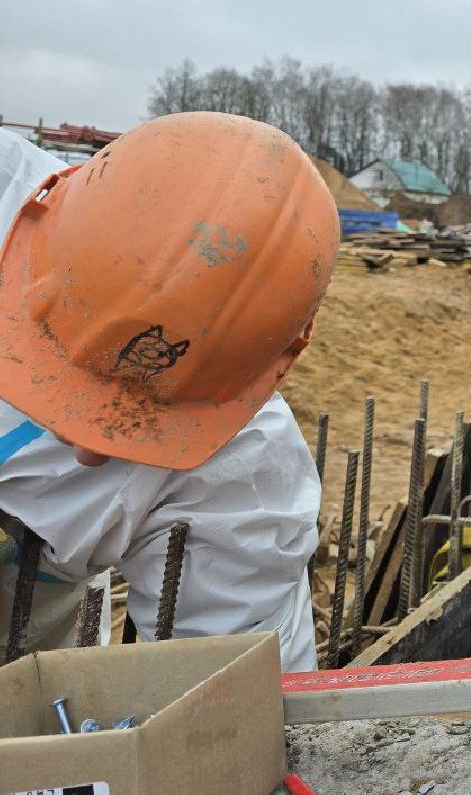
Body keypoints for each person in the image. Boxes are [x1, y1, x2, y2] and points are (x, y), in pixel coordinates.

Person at [0, 113, 338, 672]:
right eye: (53, 379)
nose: (88, 450)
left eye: (151, 420)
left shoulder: (242, 476)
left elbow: (231, 706)